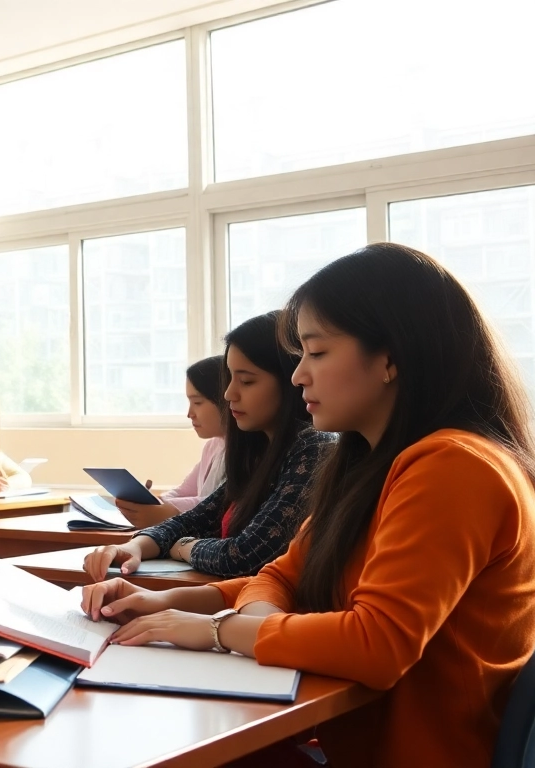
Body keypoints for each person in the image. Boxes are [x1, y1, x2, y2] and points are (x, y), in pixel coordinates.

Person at [81, 244, 535, 768]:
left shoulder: (455, 466)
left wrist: (220, 629)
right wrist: (163, 603)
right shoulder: (368, 465)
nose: (299, 377)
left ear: (390, 358)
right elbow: (279, 577)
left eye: (317, 354)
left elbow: (377, 644)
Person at [83, 312, 333, 579]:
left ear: (290, 380)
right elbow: (195, 519)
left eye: (246, 381)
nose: (228, 394)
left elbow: (243, 556)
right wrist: (134, 546)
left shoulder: (313, 447)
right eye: (230, 379)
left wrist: (183, 547)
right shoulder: (259, 453)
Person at [114, 355, 227, 527]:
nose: (189, 413)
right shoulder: (212, 446)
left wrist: (168, 510)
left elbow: (216, 503)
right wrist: (155, 502)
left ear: (225, 399)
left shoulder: (248, 452)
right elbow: (184, 491)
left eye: (197, 402)